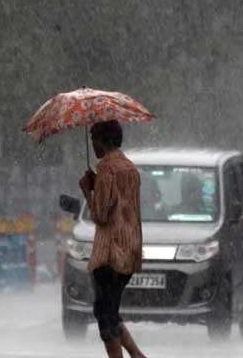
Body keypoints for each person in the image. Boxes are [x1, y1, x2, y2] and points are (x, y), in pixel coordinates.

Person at [79, 120, 146, 358]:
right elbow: (124, 208)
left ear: (104, 140)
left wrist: (87, 190)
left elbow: (101, 215)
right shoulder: (130, 168)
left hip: (109, 254)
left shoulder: (107, 169)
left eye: (93, 139)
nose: (92, 144)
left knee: (104, 315)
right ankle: (137, 355)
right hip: (130, 250)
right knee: (110, 309)